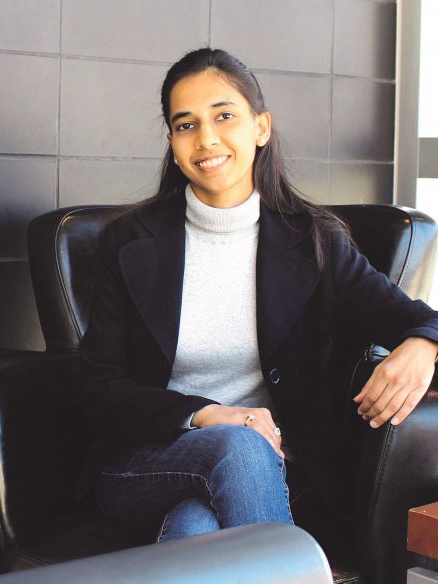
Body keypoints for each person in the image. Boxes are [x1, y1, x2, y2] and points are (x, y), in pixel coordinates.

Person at [75, 48, 438, 563]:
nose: (206, 139)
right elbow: (99, 389)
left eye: (225, 116)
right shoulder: (129, 243)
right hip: (143, 462)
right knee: (238, 445)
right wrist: (207, 414)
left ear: (260, 127)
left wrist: (424, 344)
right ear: (173, 143)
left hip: (272, 472)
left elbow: (416, 317)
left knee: (195, 526)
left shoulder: (315, 242)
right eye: (186, 124)